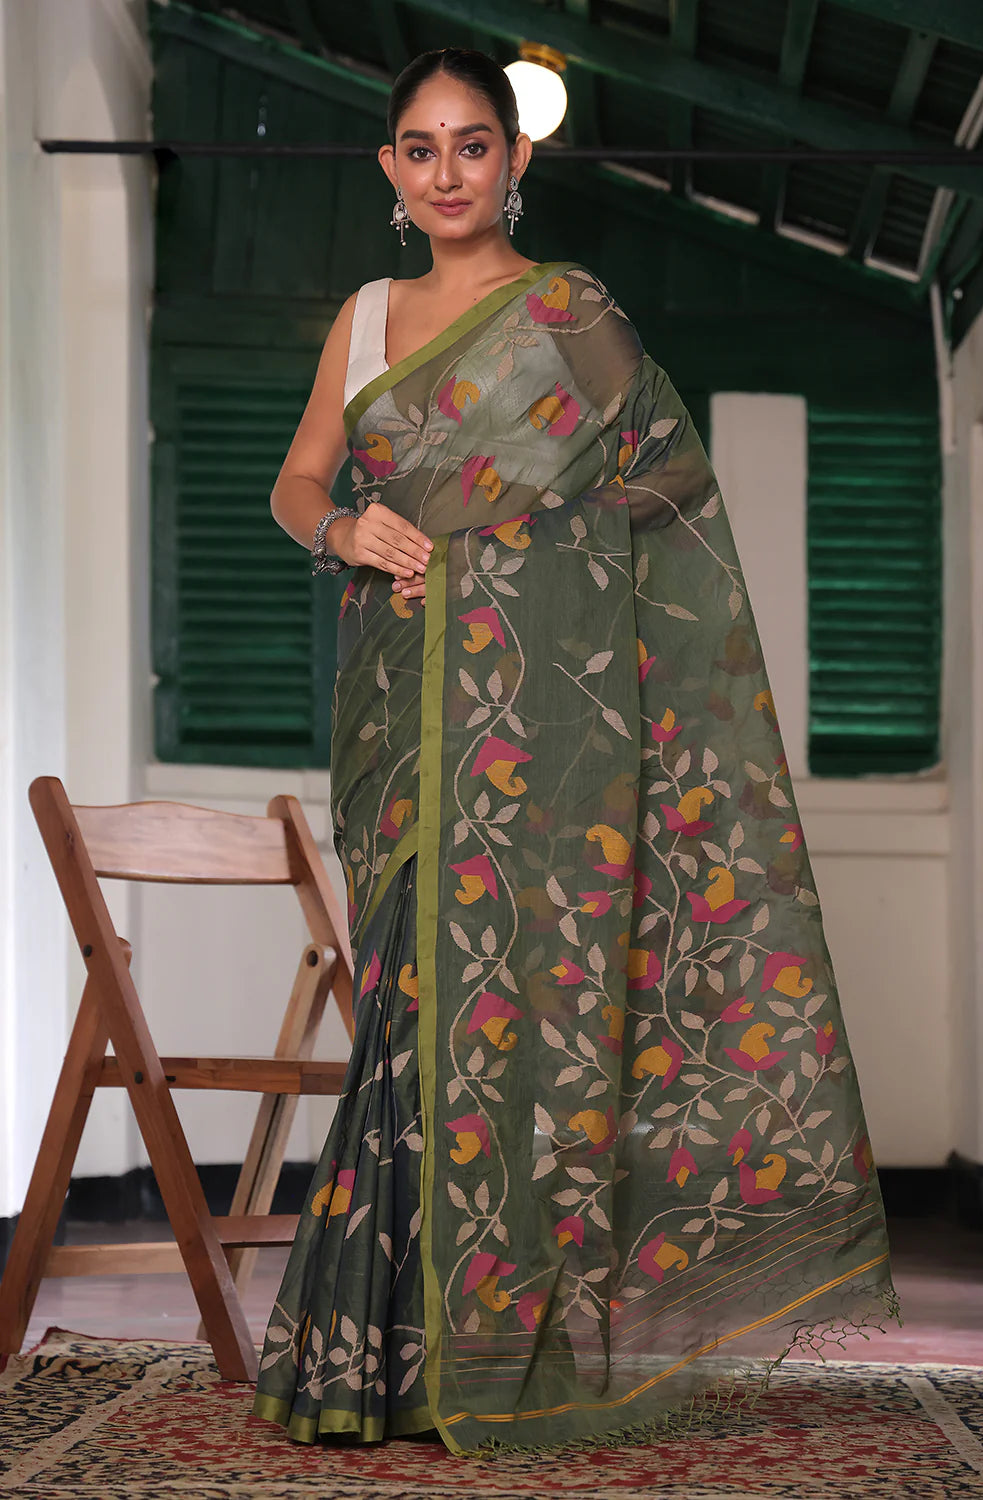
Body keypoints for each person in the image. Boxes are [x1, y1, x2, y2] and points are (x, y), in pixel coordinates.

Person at [252, 47, 899, 1457]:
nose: (447, 172)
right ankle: (382, 1355)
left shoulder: (568, 314)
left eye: (472, 144)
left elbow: (667, 480)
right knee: (410, 995)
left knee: (514, 1004)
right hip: (396, 708)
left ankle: (492, 1347)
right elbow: (299, 479)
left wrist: (505, 554)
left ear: (515, 159)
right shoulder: (365, 319)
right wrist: (344, 527)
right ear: (390, 169)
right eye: (420, 148)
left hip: (533, 720)